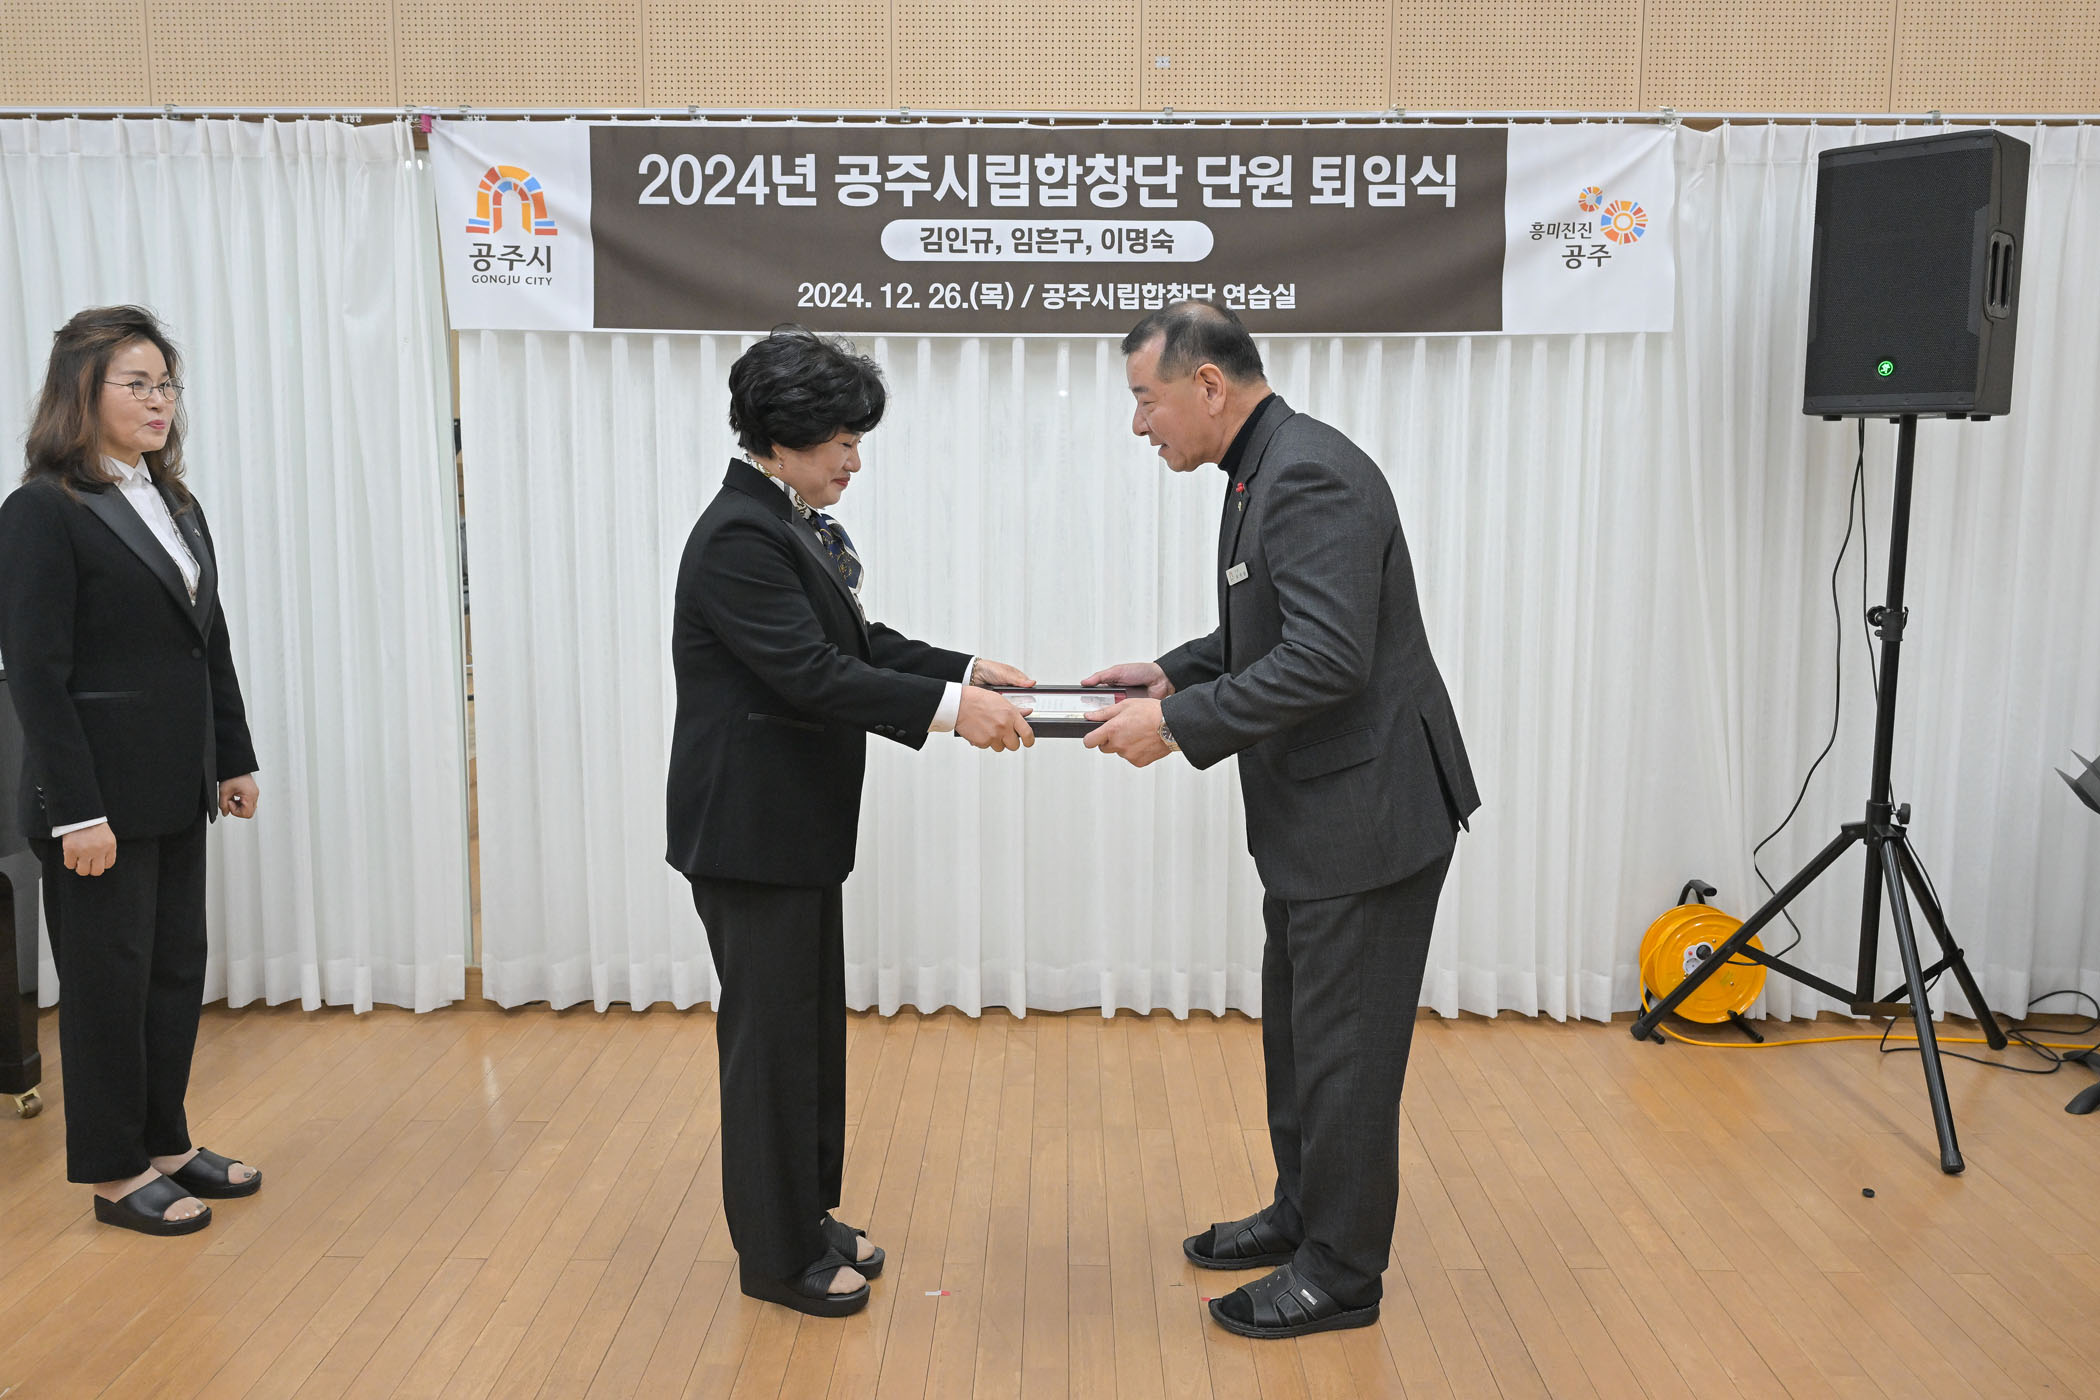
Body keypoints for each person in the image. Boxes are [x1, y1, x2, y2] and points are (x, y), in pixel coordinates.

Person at [1083, 301, 1479, 1340]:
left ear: (1208, 384)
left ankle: (1341, 1273)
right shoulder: (1262, 465)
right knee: (1305, 1038)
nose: (1138, 424)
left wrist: (1176, 725)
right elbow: (1272, 625)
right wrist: (1173, 671)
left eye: (1145, 399)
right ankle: (1306, 1214)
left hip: (1368, 817)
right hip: (1324, 813)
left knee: (1345, 1058)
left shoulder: (1307, 474)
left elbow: (1328, 656)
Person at [666, 327, 1034, 1317]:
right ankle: (774, 1256)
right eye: (842, 441)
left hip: (792, 831)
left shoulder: (780, 521)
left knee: (807, 1039)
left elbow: (857, 642)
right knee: (770, 1051)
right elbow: (812, 673)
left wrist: (966, 670)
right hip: (750, 833)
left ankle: (805, 1215)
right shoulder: (740, 536)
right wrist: (954, 712)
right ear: (784, 436)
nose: (854, 461)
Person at [0, 306, 262, 1236]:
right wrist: (75, 811)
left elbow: (206, 642)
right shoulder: (41, 511)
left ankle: (166, 1143)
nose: (159, 401)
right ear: (83, 392)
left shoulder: (175, 501)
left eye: (166, 384)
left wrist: (232, 755)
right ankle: (115, 1173)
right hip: (95, 803)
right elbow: (35, 673)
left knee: (172, 973)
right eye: (137, 384)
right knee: (108, 988)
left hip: (176, 786)